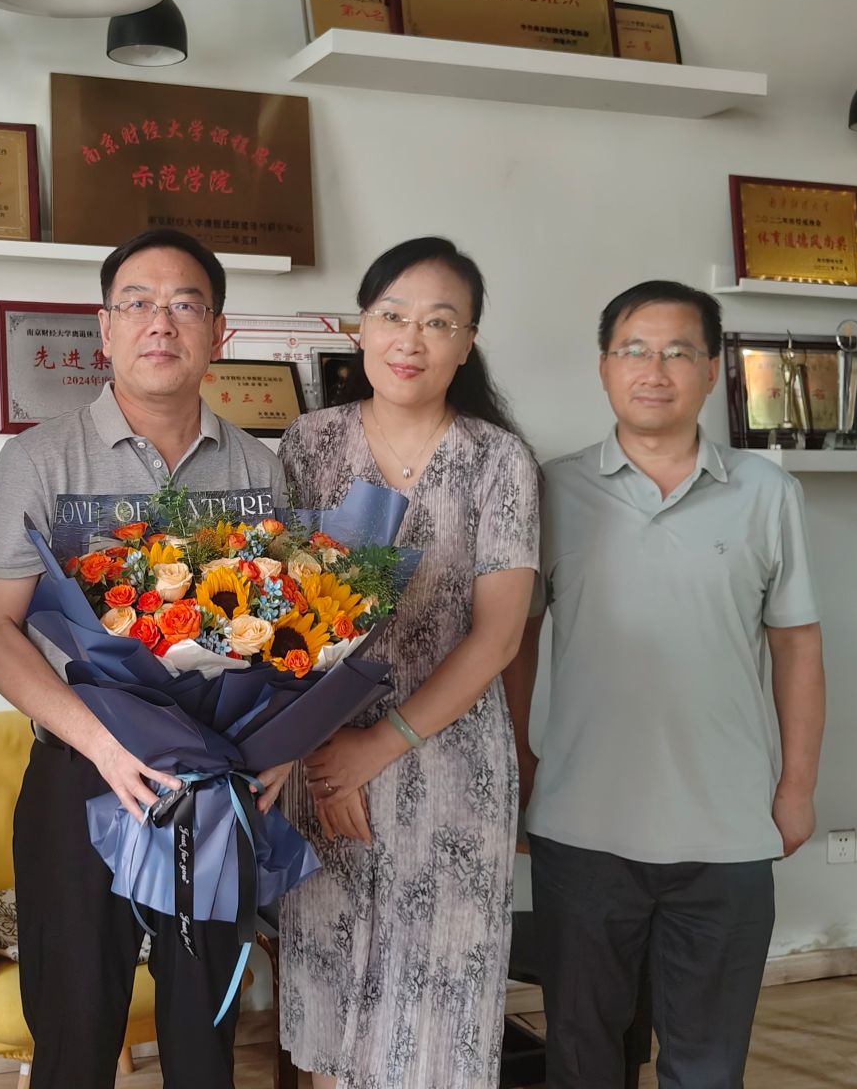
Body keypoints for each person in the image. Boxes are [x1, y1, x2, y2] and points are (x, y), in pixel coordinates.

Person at [0, 228, 287, 1089]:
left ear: (219, 331)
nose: (161, 322)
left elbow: (297, 636)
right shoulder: (39, 460)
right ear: (104, 330)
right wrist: (102, 744)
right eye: (137, 303)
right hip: (81, 774)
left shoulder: (261, 468)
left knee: (204, 1040)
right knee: (74, 1037)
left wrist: (284, 750)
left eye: (185, 304)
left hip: (220, 785)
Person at [504, 280, 827, 1089]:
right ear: (604, 367)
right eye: (635, 351)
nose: (655, 371)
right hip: (583, 826)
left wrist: (796, 787)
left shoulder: (768, 494)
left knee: (708, 1063)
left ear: (713, 370)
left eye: (679, 352)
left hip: (727, 830)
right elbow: (513, 644)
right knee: (583, 1054)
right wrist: (522, 766)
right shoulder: (549, 491)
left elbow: (797, 647)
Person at [276, 237, 540, 1088]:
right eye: (392, 315)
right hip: (321, 761)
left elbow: (497, 638)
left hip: (450, 767)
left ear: (468, 343)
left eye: (439, 322)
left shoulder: (499, 460)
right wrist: (322, 761)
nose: (411, 339)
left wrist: (376, 748)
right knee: (334, 1000)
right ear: (359, 328)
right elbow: (275, 621)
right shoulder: (308, 445)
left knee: (436, 1016)